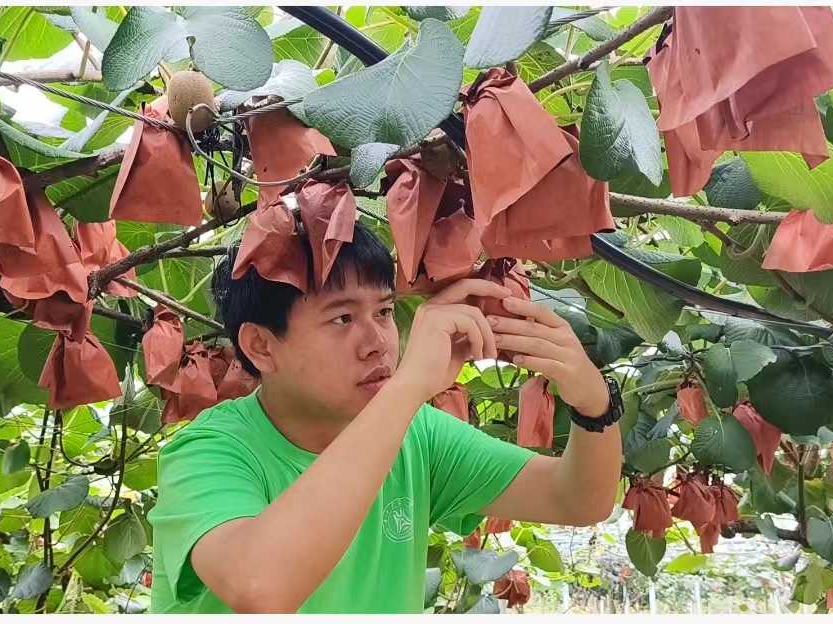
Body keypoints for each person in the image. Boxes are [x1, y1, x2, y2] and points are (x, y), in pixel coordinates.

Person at [147, 222, 623, 614]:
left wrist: (595, 405)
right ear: (261, 346)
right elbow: (261, 588)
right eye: (342, 319)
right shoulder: (209, 452)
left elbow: (579, 500)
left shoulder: (418, 435)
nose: (378, 342)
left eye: (385, 311)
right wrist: (408, 387)